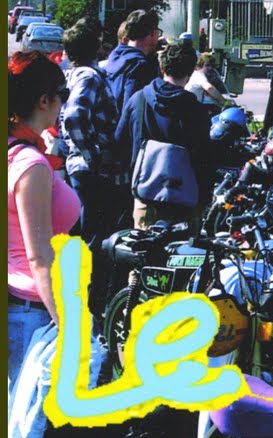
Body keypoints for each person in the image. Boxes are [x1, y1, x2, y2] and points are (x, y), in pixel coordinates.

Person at [7, 51, 79, 438]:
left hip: (16, 307)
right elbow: (39, 258)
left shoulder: (18, 153)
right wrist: (68, 323)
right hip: (30, 311)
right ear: (44, 100)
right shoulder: (28, 165)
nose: (63, 107)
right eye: (60, 97)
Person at [116, 41, 214, 231]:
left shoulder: (138, 100)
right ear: (190, 72)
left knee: (143, 247)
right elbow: (204, 159)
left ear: (162, 68)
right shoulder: (195, 110)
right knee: (183, 249)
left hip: (146, 195)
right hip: (184, 199)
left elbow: (120, 142)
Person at [58, 18, 125, 259]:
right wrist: (92, 156)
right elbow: (74, 117)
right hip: (91, 170)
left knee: (83, 236)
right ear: (95, 47)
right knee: (92, 239)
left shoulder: (71, 75)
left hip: (80, 167)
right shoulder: (89, 77)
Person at [99, 9, 162, 113]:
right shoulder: (139, 66)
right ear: (151, 33)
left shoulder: (115, 56)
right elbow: (133, 110)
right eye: (158, 32)